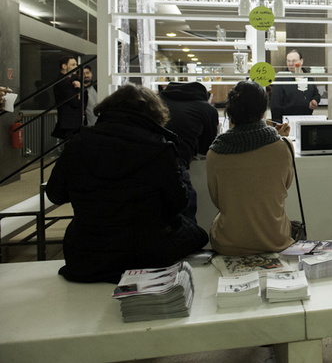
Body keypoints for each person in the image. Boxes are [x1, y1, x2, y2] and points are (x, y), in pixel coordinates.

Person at [45, 84, 209, 283]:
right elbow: (178, 203)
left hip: (84, 255)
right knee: (198, 235)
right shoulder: (159, 150)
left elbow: (55, 194)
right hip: (145, 254)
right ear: (154, 114)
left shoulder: (77, 144)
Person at [206, 81, 294, 256]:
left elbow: (218, 200)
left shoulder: (214, 153)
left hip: (229, 243)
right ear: (263, 111)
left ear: (230, 112)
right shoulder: (284, 146)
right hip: (275, 239)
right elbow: (284, 186)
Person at [159, 81, 220, 222]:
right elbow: (208, 147)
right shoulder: (206, 109)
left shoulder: (156, 102)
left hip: (144, 162)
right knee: (186, 214)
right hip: (176, 165)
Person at [269, 50, 321, 124]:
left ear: (301, 61)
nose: (291, 64)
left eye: (294, 61)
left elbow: (316, 94)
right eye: (288, 61)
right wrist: (277, 125)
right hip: (287, 122)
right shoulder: (281, 79)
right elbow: (275, 104)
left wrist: (315, 100)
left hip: (306, 120)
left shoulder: (308, 77)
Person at [51, 55, 82, 140]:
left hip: (71, 122)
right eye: (73, 65)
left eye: (76, 64)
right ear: (64, 66)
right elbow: (75, 102)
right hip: (69, 123)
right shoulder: (62, 82)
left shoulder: (71, 80)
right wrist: (79, 89)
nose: (76, 67)